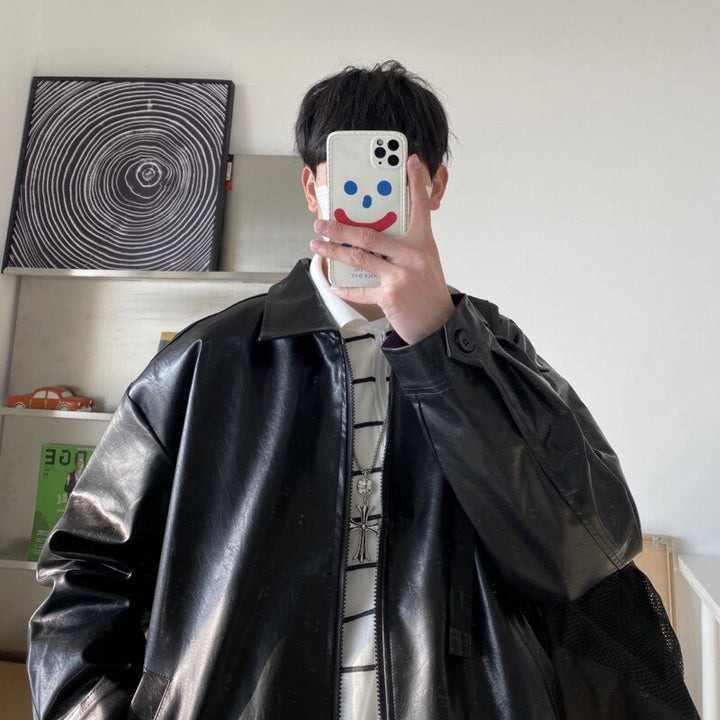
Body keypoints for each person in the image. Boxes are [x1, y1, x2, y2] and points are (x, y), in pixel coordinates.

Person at [28, 61, 698, 720]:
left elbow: (587, 554)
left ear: (434, 188)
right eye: (344, 175)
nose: (368, 199)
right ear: (311, 187)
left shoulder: (494, 353)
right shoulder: (207, 360)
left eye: (395, 175)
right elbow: (88, 574)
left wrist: (440, 346)